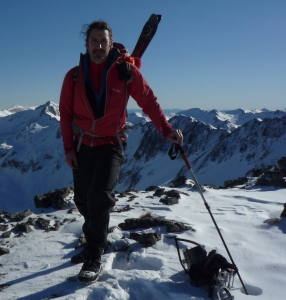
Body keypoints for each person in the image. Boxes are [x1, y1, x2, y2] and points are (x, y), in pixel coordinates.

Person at [59, 19, 183, 283]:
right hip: (83, 146)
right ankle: (96, 238)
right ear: (86, 43)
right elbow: (65, 114)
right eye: (94, 41)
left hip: (111, 144)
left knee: (99, 196)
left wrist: (166, 129)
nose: (99, 46)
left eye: (104, 41)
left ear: (110, 42)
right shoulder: (73, 76)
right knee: (82, 200)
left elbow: (148, 101)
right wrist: (69, 148)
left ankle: (93, 256)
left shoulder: (126, 72)